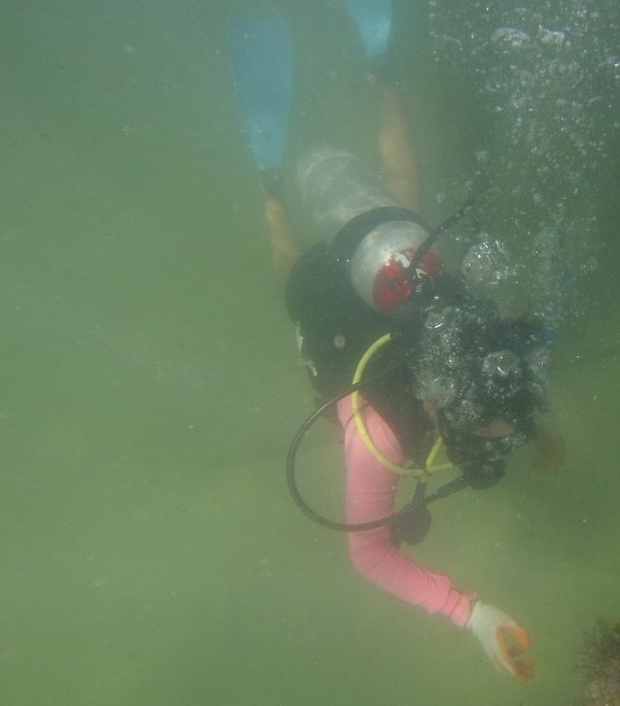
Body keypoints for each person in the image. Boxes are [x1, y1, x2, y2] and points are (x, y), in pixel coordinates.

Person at [245, 15, 555, 684]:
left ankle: (378, 75)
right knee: (298, 275)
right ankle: (272, 188)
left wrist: (541, 435)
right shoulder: (377, 435)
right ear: (443, 405)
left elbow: (515, 387)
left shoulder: (485, 351)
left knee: (404, 213)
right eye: (486, 432)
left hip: (394, 268)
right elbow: (371, 558)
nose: (493, 441)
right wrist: (469, 612)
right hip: (337, 313)